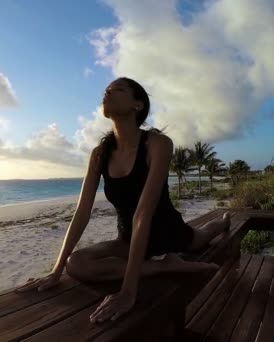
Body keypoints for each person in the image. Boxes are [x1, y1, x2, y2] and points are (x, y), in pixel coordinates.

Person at [15, 77, 231, 324]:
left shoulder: (157, 144)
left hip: (168, 233)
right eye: (106, 90)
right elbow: (82, 212)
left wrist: (129, 290)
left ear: (138, 105)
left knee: (204, 234)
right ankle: (165, 266)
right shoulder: (100, 154)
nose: (107, 92)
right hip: (127, 240)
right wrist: (56, 271)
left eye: (118, 89)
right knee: (76, 264)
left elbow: (143, 214)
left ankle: (223, 222)